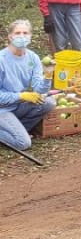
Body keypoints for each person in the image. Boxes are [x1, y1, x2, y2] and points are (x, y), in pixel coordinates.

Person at [0, 19, 55, 151]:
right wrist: (22, 96)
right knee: (23, 143)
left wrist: (47, 76)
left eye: (25, 33)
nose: (22, 36)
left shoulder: (33, 58)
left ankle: (18, 129)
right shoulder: (2, 59)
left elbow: (38, 89)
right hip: (2, 109)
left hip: (16, 106)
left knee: (48, 102)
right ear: (10, 36)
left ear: (30, 36)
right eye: (17, 33)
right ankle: (15, 133)